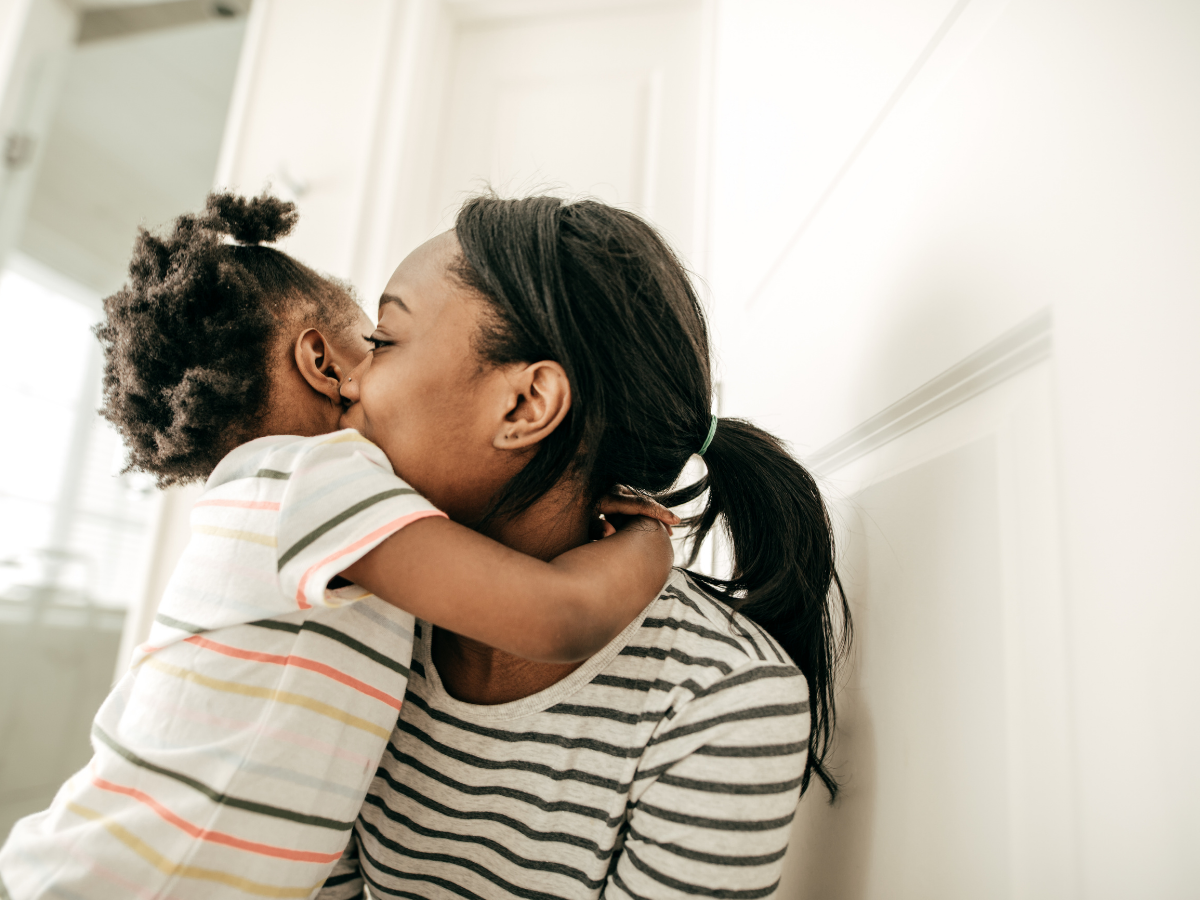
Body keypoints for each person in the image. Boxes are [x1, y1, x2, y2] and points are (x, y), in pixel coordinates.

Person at [0, 194, 678, 900]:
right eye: (377, 340)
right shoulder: (314, 477)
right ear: (324, 363)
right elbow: (561, 617)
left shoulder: (280, 502)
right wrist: (650, 537)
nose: (367, 372)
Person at [319, 194, 852, 899]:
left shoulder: (721, 698)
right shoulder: (350, 611)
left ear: (526, 406)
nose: (348, 379)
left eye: (383, 340)